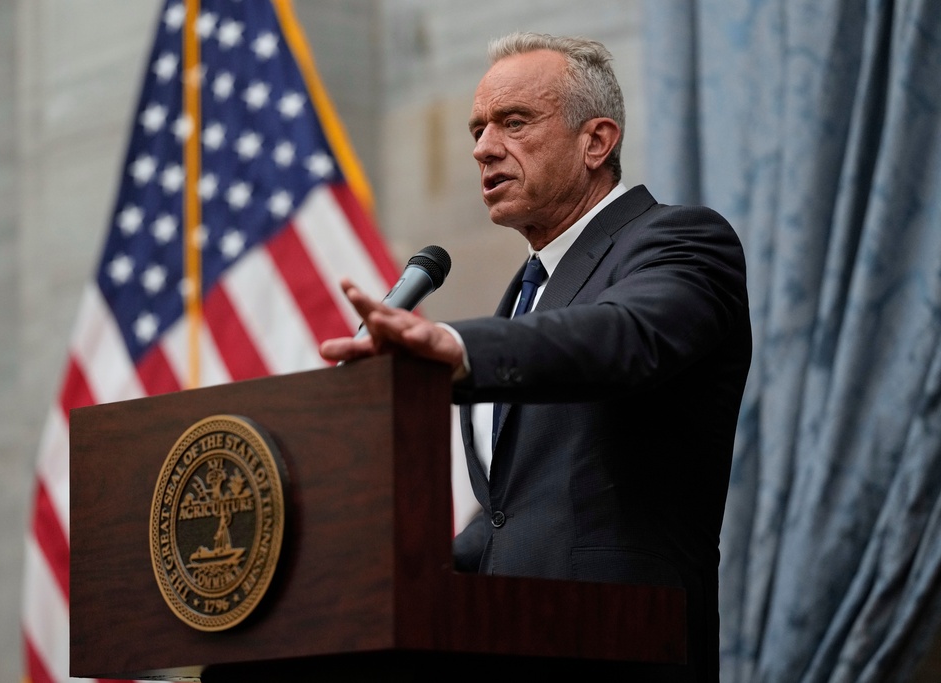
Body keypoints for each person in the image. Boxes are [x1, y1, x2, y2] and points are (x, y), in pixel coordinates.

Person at [320, 32, 751, 682]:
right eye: (477, 128)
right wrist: (386, 575)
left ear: (596, 141)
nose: (483, 147)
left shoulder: (682, 241)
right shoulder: (521, 297)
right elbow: (513, 516)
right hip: (508, 643)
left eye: (513, 122)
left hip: (625, 646)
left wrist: (460, 347)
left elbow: (623, 336)